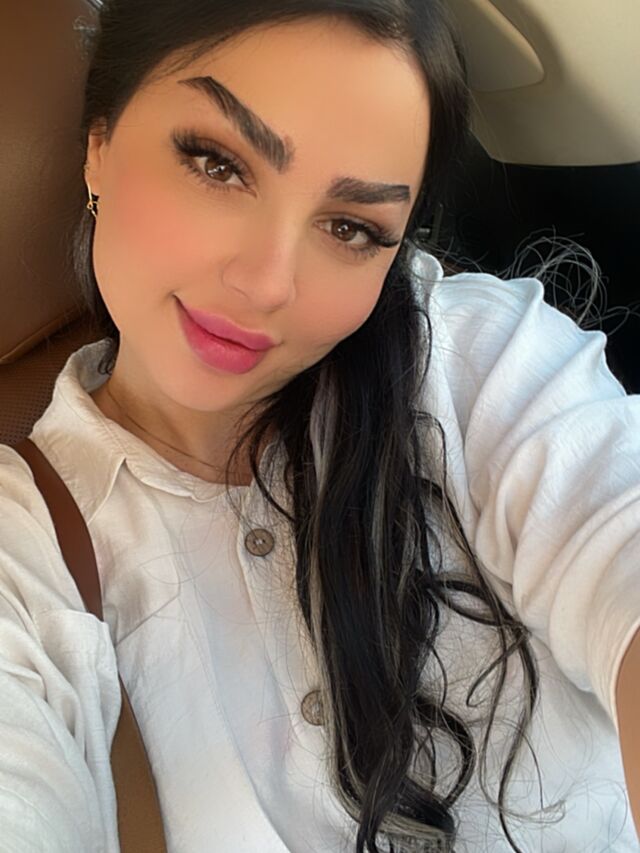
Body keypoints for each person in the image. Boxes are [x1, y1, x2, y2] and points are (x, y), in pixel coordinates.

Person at [0, 0, 638, 850]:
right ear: (99, 145)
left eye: (350, 228)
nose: (268, 283)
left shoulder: (475, 363)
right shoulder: (21, 553)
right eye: (218, 164)